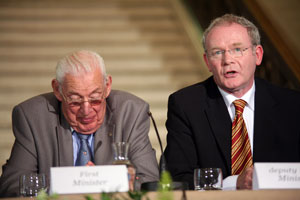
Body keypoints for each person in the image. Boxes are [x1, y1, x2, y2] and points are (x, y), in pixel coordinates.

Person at [164, 14, 300, 190]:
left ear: (257, 55)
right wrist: (233, 183)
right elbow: (177, 179)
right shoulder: (186, 106)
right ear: (207, 62)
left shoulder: (292, 105)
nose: (227, 60)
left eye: (237, 49)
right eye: (217, 52)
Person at [0, 50, 159, 197]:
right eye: (75, 101)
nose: (86, 110)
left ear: (107, 86)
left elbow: (149, 181)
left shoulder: (131, 113)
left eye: (95, 99)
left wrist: (100, 180)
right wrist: (74, 181)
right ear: (57, 90)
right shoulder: (32, 117)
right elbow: (13, 184)